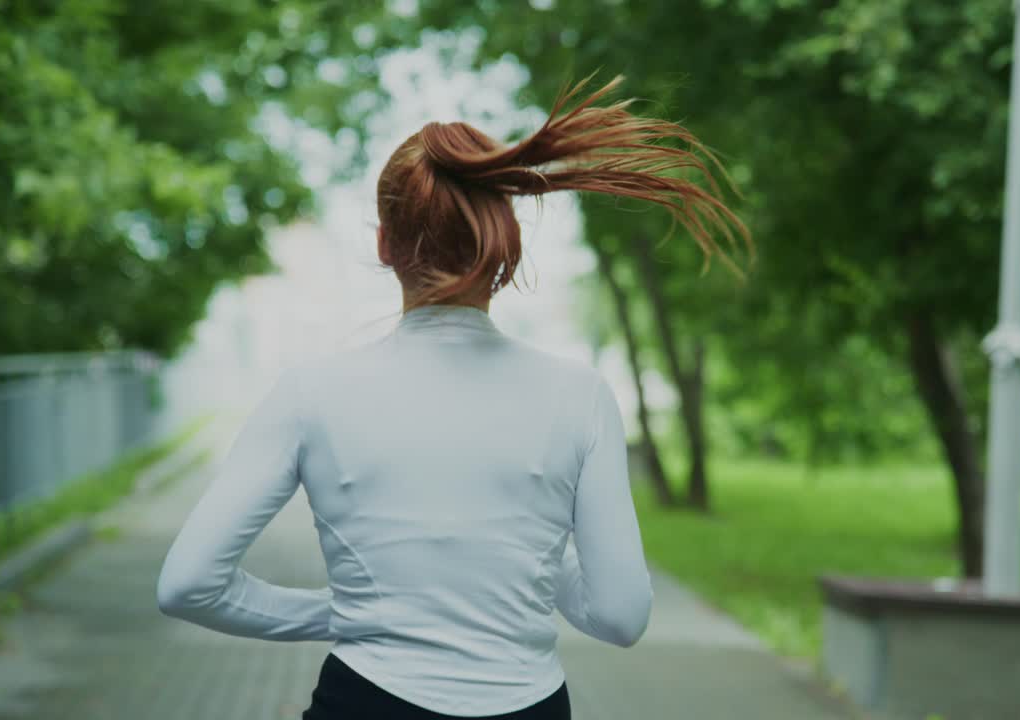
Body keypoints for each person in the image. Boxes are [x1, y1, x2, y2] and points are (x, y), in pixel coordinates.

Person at [155, 73, 747, 720]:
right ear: (503, 239)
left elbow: (189, 585)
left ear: (384, 245)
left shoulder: (310, 393)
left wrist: (345, 613)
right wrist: (529, 560)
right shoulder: (580, 395)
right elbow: (621, 615)